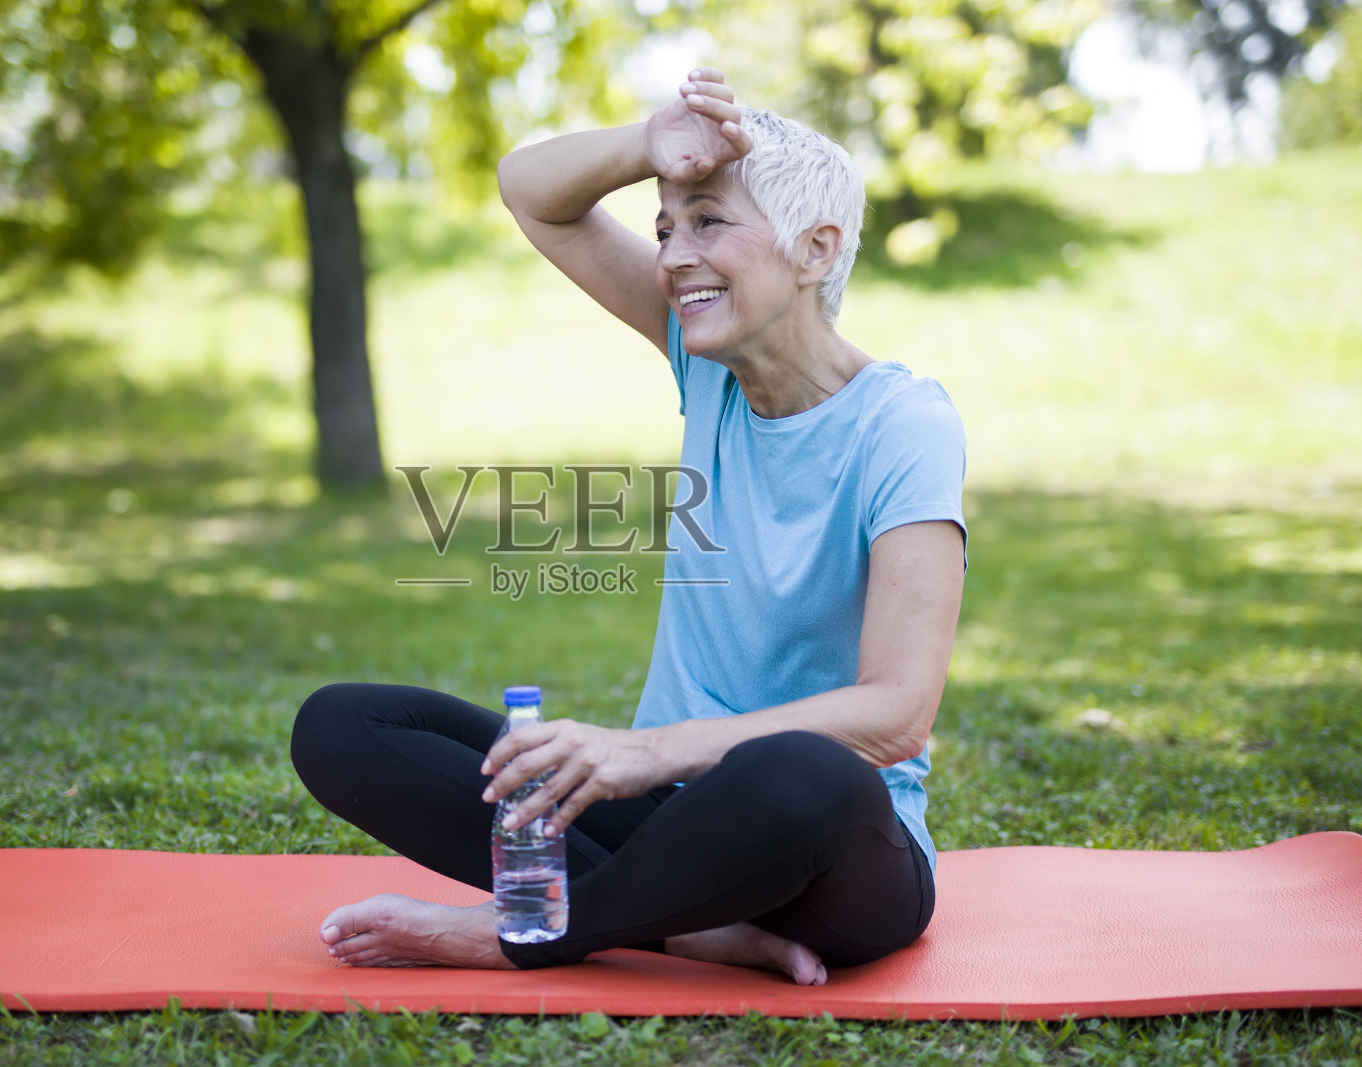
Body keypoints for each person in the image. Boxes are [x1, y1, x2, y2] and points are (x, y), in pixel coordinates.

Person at [290, 69, 966, 986]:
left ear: (816, 249)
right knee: (345, 724)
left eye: (708, 222)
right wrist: (647, 143)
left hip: (830, 852)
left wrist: (644, 751)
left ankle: (519, 934)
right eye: (663, 228)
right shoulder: (711, 370)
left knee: (805, 772)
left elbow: (896, 712)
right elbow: (535, 194)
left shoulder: (903, 424)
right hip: (666, 816)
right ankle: (682, 924)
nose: (674, 255)